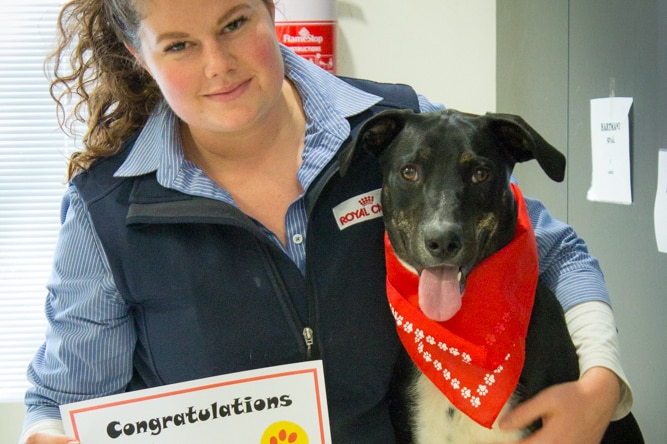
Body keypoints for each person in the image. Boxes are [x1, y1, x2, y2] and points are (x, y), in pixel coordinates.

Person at [20, 0, 633, 443]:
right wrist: (48, 435)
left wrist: (602, 385)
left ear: (270, 12)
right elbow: (65, 401)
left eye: (235, 23)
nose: (219, 64)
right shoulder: (107, 210)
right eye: (179, 45)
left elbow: (555, 253)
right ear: (139, 55)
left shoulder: (397, 129)